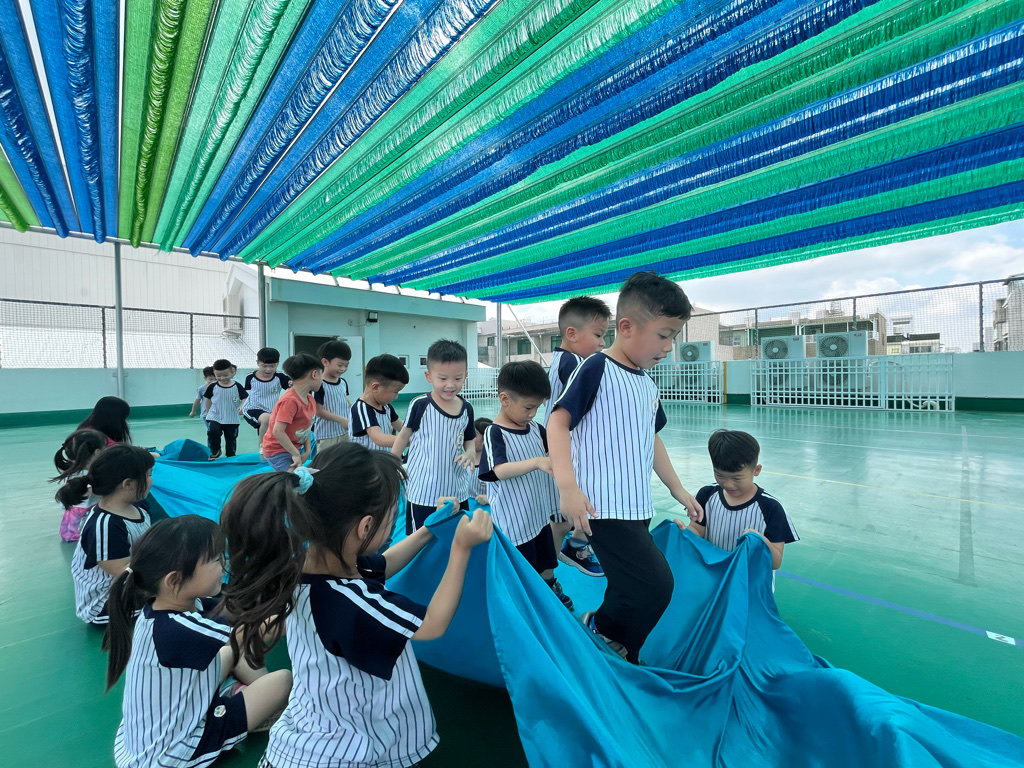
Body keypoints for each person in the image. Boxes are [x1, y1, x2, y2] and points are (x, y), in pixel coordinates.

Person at [218, 444, 493, 768]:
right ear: (365, 527)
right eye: (389, 519)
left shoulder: (305, 566)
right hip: (344, 748)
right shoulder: (351, 599)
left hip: (314, 725)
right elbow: (433, 623)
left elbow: (383, 564)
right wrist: (461, 548)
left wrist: (426, 530)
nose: (390, 526)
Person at [548, 271, 704, 664]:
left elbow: (652, 439)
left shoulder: (646, 384)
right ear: (627, 327)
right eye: (664, 335)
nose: (669, 346)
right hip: (601, 507)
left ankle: (610, 639)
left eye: (674, 336)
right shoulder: (596, 368)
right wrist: (568, 488)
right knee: (656, 585)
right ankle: (609, 637)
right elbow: (557, 423)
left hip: (635, 505)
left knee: (627, 584)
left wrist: (677, 489)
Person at [104, 515, 292, 768]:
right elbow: (257, 632)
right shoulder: (177, 630)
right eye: (215, 559)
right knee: (282, 680)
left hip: (149, 736)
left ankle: (249, 699)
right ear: (175, 579)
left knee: (230, 651)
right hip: (173, 751)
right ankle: (253, 703)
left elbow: (235, 609)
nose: (224, 563)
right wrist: (301, 613)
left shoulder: (163, 609)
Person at [478, 362, 572, 610]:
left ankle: (549, 588)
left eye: (537, 408)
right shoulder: (495, 433)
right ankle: (525, 604)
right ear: (504, 399)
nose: (533, 413)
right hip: (515, 522)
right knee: (521, 569)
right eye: (529, 407)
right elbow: (499, 470)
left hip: (538, 517)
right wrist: (537, 462)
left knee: (547, 561)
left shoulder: (536, 429)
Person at [546, 296, 612, 578]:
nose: (602, 343)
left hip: (560, 447)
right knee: (568, 514)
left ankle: (573, 547)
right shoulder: (574, 362)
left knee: (569, 514)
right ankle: (548, 572)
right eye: (598, 335)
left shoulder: (560, 359)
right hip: (566, 449)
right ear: (572, 334)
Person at [675, 430, 799, 573]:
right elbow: (697, 530)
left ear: (756, 470)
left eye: (737, 478)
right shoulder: (707, 495)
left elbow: (775, 563)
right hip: (713, 575)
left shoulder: (771, 508)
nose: (728, 484)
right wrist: (683, 532)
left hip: (748, 580)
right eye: (719, 475)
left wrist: (759, 541)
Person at [58, 445, 155, 624]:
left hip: (132, 585)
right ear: (128, 484)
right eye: (149, 475)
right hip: (104, 603)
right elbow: (123, 571)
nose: (152, 480)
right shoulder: (105, 525)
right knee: (178, 596)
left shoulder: (138, 508)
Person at [392, 340, 476, 535]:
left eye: (457, 378)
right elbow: (403, 435)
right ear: (429, 376)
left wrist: (471, 452)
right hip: (423, 489)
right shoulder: (420, 404)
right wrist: (392, 462)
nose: (450, 385)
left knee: (456, 536)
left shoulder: (466, 408)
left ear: (465, 375)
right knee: (420, 539)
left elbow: (469, 438)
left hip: (456, 488)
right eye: (443, 378)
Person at [262, 354, 323, 472]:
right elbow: (278, 431)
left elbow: (306, 428)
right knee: (294, 478)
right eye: (322, 375)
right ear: (314, 374)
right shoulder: (290, 401)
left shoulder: (310, 399)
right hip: (277, 450)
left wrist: (307, 450)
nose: (322, 380)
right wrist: (295, 453)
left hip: (293, 448)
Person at [52, 429, 108, 541]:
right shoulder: (92, 472)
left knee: (72, 531)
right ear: (97, 452)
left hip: (72, 510)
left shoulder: (70, 468)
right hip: (89, 509)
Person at [349, 354, 407, 452]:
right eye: (395, 392)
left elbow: (402, 427)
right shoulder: (361, 408)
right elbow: (378, 438)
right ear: (376, 387)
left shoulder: (387, 407)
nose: (396, 397)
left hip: (382, 458)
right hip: (366, 461)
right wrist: (410, 440)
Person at [244, 349, 291, 447]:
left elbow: (293, 386)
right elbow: (246, 393)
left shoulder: (280, 377)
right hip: (253, 408)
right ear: (258, 362)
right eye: (264, 366)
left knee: (272, 427)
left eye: (272, 366)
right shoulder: (250, 377)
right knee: (266, 419)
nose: (268, 369)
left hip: (272, 410)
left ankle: (270, 450)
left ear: (277, 363)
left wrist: (292, 384)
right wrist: (241, 404)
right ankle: (262, 446)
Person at [203, 359, 248, 460]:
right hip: (215, 415)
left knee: (231, 438)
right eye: (218, 376)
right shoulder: (213, 386)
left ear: (232, 372)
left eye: (225, 375)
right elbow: (208, 399)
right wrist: (208, 412)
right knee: (213, 432)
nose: (222, 378)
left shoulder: (237, 386)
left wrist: (242, 406)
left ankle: (230, 455)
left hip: (232, 417)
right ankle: (215, 451)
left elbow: (244, 397)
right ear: (214, 373)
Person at [313, 340, 352, 451]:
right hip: (327, 435)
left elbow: (344, 399)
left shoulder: (343, 382)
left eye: (346, 365)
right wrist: (340, 420)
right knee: (328, 461)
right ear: (325, 362)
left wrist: (354, 411)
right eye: (340, 365)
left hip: (345, 432)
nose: (343, 369)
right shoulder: (319, 385)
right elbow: (318, 411)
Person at [470, 417, 492, 506]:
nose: (470, 437)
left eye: (474, 434)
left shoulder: (493, 466)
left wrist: (489, 498)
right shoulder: (462, 463)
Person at [190, 367, 217, 434]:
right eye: (210, 379)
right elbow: (197, 400)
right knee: (211, 431)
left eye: (215, 379)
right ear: (205, 378)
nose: (213, 381)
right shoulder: (201, 389)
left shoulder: (219, 387)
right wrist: (193, 411)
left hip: (218, 413)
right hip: (206, 414)